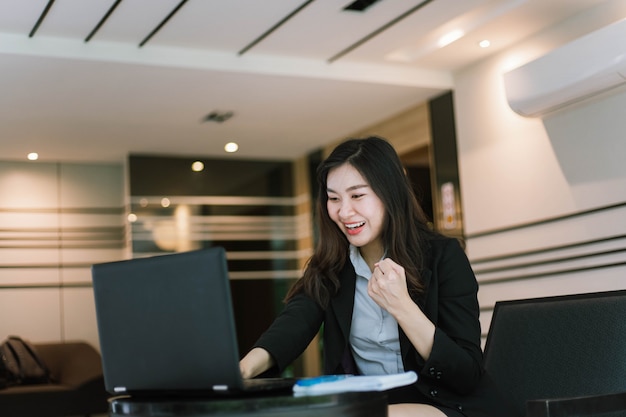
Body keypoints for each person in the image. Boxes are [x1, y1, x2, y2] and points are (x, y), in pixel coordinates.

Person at [239, 136, 514, 417]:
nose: (344, 211)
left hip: (449, 405)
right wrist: (243, 370)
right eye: (334, 198)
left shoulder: (444, 256)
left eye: (357, 196)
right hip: (373, 406)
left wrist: (401, 306)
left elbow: (465, 372)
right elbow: (293, 324)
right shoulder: (331, 266)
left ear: (389, 193)